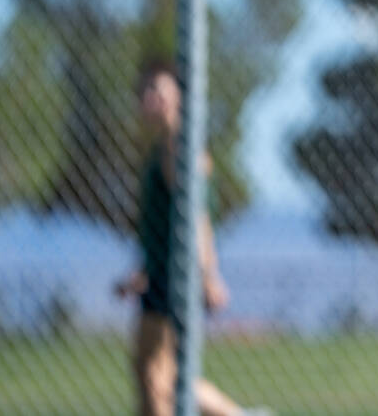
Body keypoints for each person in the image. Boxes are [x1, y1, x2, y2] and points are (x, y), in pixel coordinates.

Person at [114, 61, 268, 416]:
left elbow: (196, 218)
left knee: (160, 377)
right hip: (160, 274)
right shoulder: (164, 147)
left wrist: (208, 274)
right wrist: (143, 272)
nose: (148, 98)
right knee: (152, 374)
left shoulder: (179, 149)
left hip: (178, 277)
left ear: (179, 96)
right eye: (143, 90)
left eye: (157, 89)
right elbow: (164, 224)